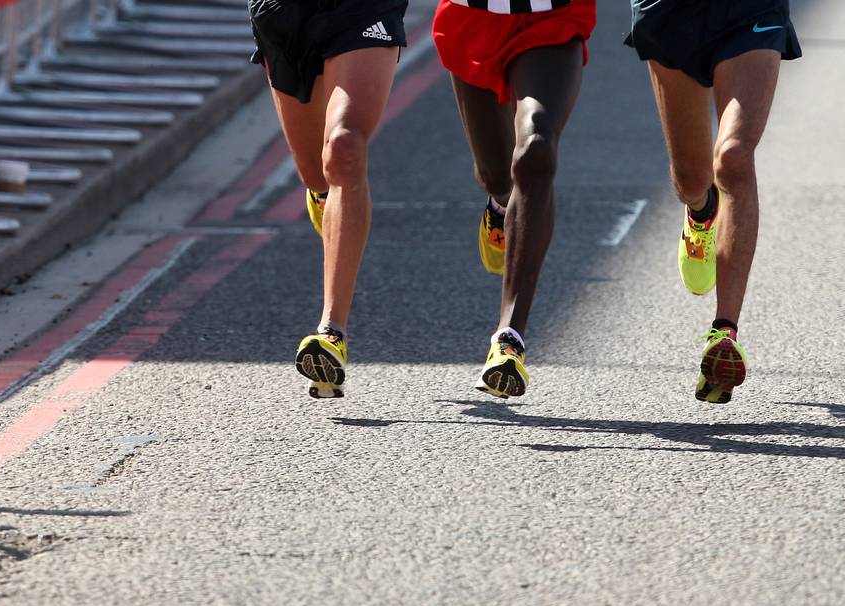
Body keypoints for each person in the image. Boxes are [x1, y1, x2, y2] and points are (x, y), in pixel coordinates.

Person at [626, 0, 800, 404]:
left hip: (751, 11)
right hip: (669, 12)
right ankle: (701, 211)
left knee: (734, 157)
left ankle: (724, 332)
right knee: (691, 178)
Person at [432, 0, 597, 399]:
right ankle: (502, 205)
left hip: (552, 17)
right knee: (495, 173)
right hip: (473, 17)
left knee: (536, 149)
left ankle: (509, 338)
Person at [248, 0, 408, 398]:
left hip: (362, 9)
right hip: (283, 13)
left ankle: (331, 331)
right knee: (316, 175)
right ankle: (327, 203)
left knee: (343, 147)